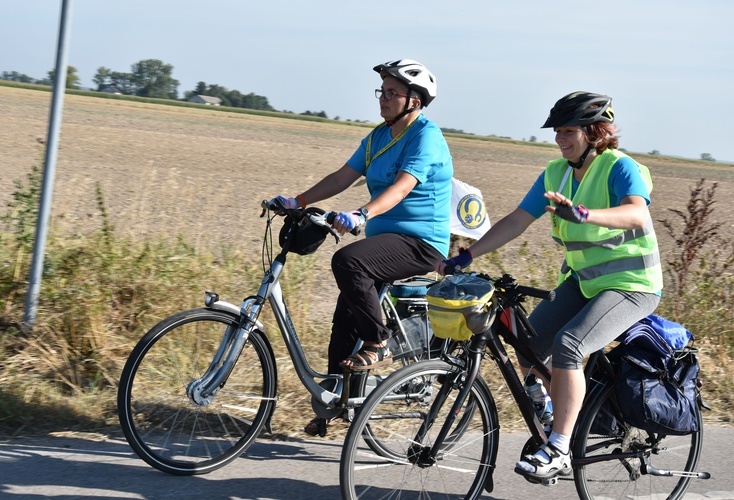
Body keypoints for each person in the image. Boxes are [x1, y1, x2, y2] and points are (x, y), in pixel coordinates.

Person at [438, 91, 663, 481]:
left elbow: (635, 214)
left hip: (631, 285)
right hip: (583, 282)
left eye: (569, 131)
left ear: (595, 132)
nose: (560, 138)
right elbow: (516, 220)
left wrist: (582, 213)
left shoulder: (619, 168)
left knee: (569, 344)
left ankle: (559, 445)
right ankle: (558, 410)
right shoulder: (556, 172)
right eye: (557, 131)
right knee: (527, 342)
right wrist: (468, 255)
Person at [270, 59, 453, 436]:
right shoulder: (376, 138)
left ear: (414, 101)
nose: (383, 99)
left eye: (392, 92)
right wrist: (297, 201)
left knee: (348, 260)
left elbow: (403, 186)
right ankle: (336, 403)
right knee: (344, 319)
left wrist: (362, 213)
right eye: (381, 92)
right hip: (387, 243)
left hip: (421, 243)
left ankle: (378, 341)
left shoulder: (425, 136)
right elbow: (342, 176)